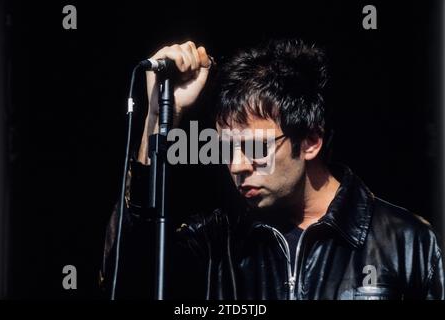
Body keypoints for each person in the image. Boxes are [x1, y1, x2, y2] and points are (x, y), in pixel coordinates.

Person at [100, 39, 445, 300]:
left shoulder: (407, 242)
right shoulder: (220, 244)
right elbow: (126, 275)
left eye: (255, 148)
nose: (236, 165)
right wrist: (157, 120)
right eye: (224, 148)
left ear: (310, 141)